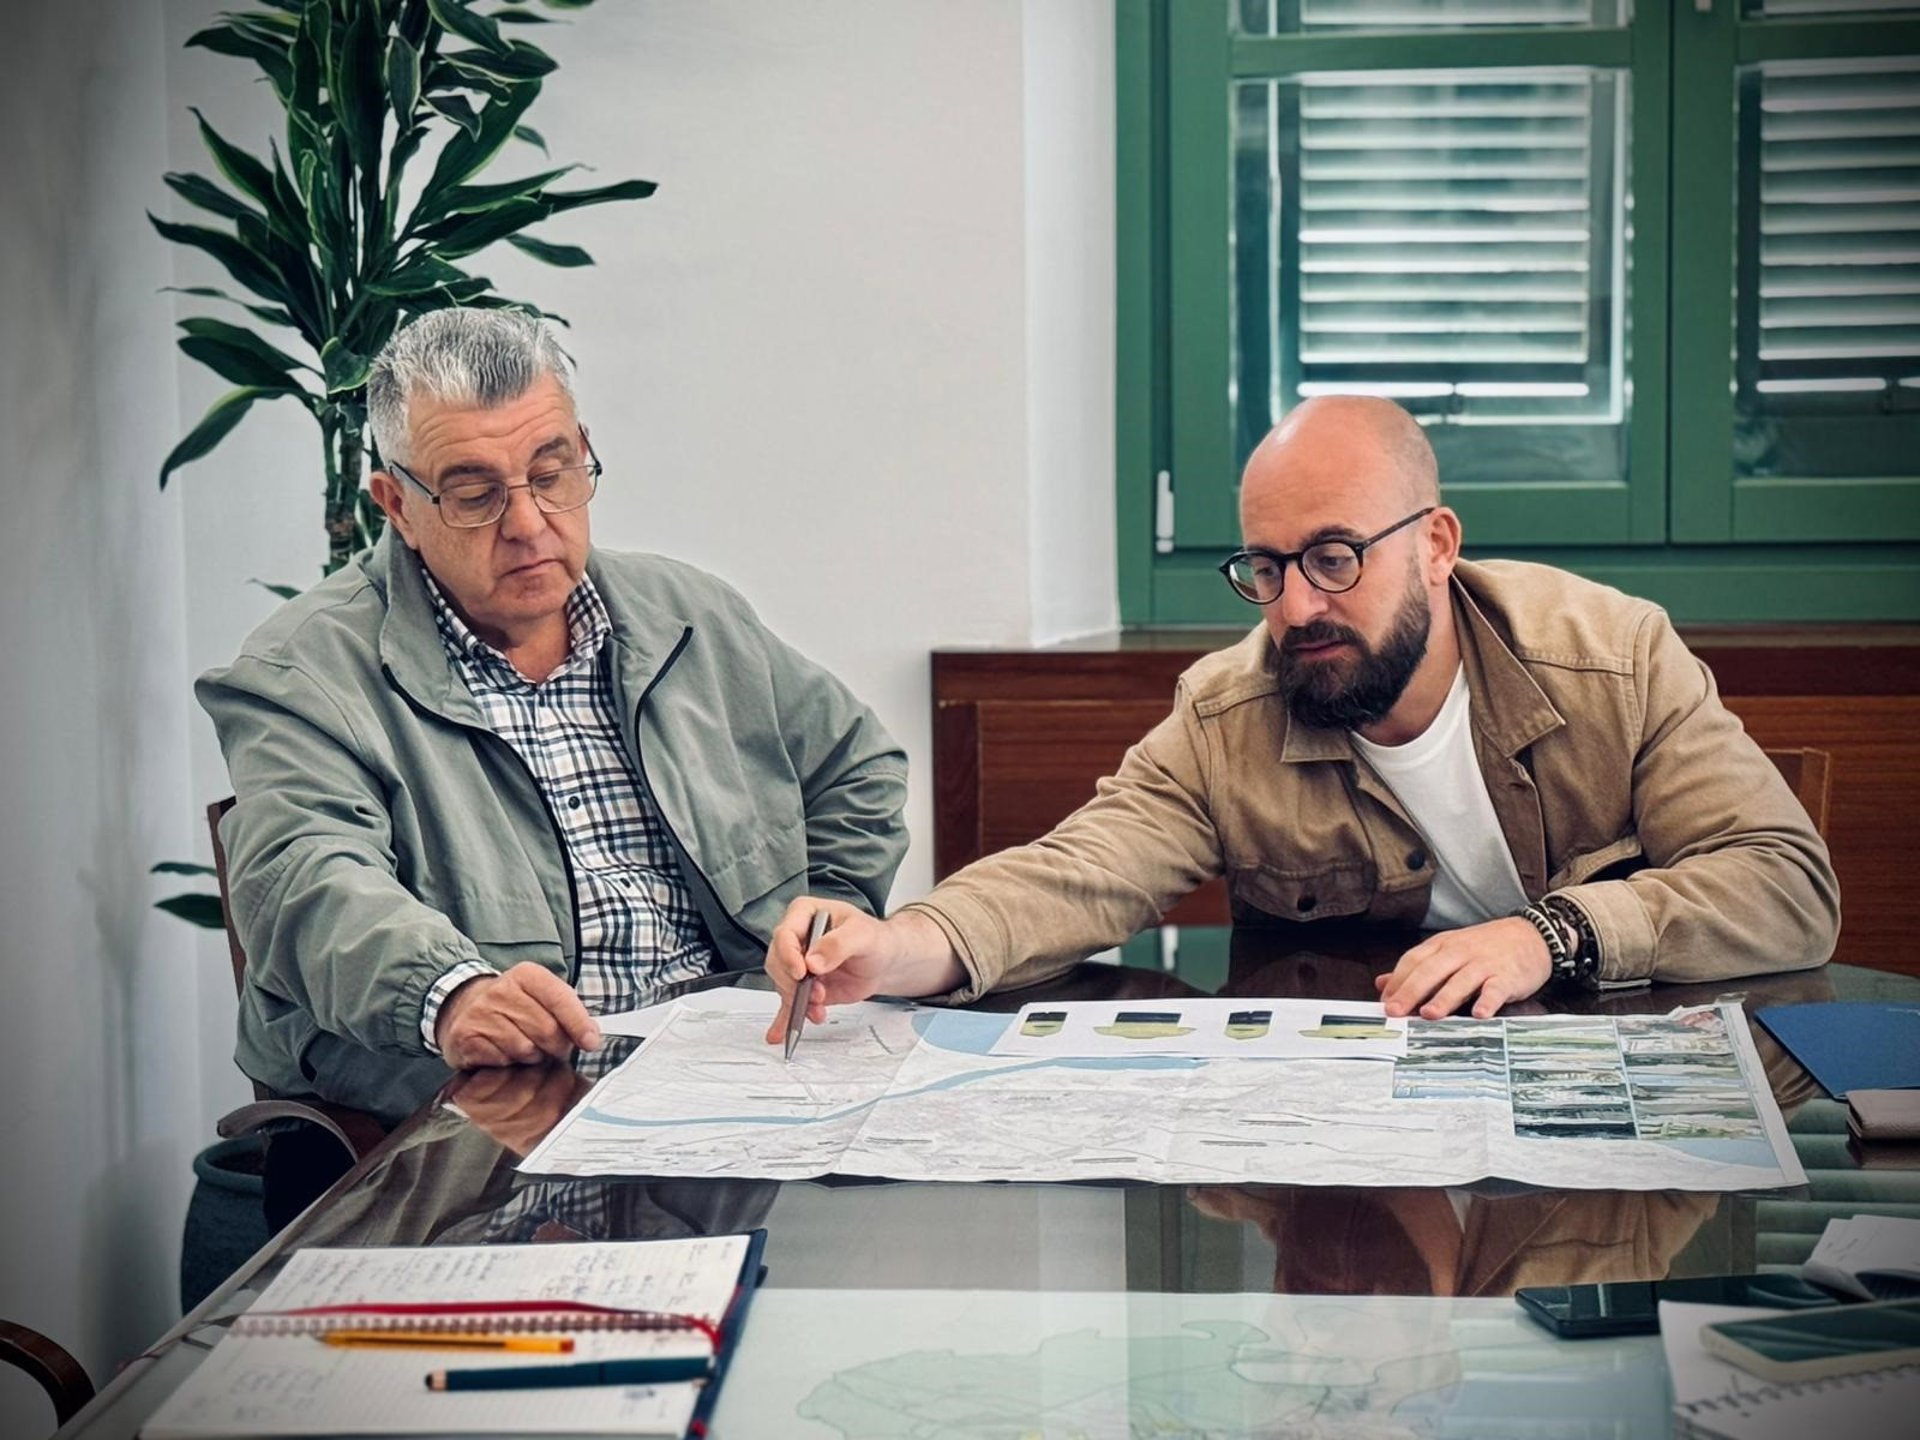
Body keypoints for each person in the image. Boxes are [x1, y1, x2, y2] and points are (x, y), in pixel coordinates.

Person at [763, 396, 1838, 1038]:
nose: (1296, 608)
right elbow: (1074, 875)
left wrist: (1548, 938)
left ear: (1436, 545)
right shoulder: (1228, 715)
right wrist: (897, 946)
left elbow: (1787, 887)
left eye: (1333, 557)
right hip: (1349, 1130)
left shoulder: (1613, 657)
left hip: (1600, 1122)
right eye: (1267, 569)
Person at [201, 308, 908, 1128]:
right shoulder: (303, 674)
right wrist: (450, 995)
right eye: (474, 496)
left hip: (739, 1075)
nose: (529, 524)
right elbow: (302, 877)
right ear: (397, 505)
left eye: (551, 474)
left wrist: (821, 920)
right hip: (490, 1113)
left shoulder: (687, 615)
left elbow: (856, 768)